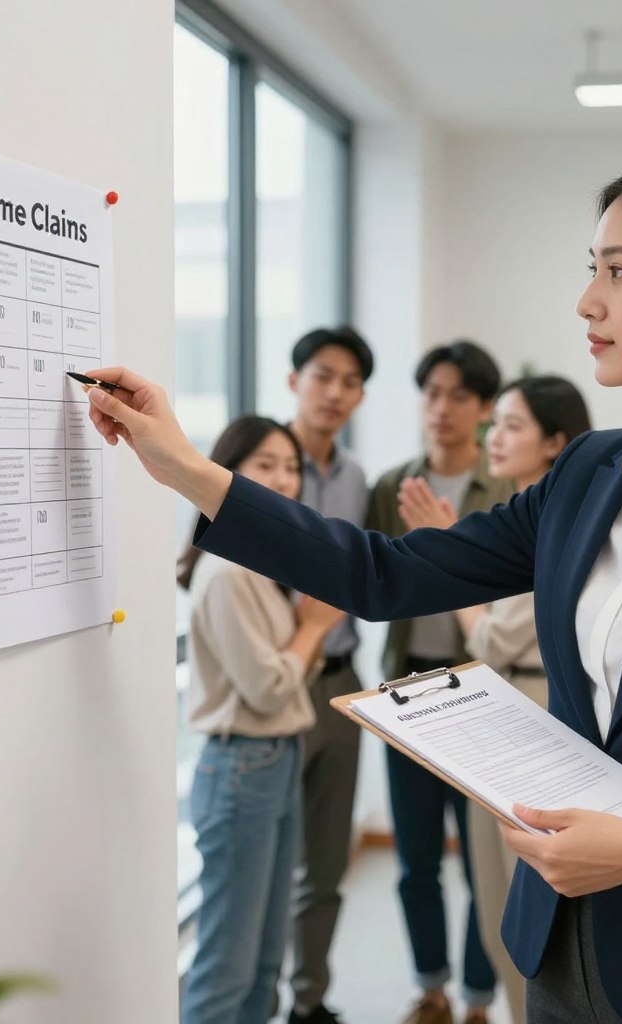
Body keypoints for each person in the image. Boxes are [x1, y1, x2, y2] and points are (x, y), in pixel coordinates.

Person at [83, 148, 622, 1024]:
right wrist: (187, 470)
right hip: (559, 950)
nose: (587, 301)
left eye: (619, 271)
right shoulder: (589, 472)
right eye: (592, 269)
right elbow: (385, 572)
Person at [397, 375, 591, 1024]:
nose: (493, 438)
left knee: (516, 903)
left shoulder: (560, 524)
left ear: (555, 442)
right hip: (505, 707)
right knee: (491, 899)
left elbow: (491, 635)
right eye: (495, 424)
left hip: (529, 716)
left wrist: (446, 554)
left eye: (511, 424)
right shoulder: (523, 516)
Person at [176, 416, 345, 1024]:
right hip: (242, 766)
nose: (283, 479)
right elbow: (270, 688)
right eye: (265, 465)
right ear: (228, 473)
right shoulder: (227, 571)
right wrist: (313, 628)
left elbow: (283, 676)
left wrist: (306, 631)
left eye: (291, 467)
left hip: (273, 759)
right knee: (228, 968)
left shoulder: (257, 562)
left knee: (264, 963)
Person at [365, 340, 513, 1024]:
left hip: (481, 696)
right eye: (432, 393)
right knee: (415, 858)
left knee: (483, 862)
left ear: (484, 409)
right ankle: (431, 988)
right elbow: (368, 576)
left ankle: (479, 998)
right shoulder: (391, 486)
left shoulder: (505, 490)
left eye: (459, 395)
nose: (442, 408)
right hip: (404, 692)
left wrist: (448, 542)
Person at [284, 326, 374, 1024]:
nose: (335, 392)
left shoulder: (355, 479)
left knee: (325, 861)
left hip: (342, 680)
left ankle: (308, 1000)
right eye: (322, 376)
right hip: (277, 681)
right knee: (267, 863)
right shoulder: (259, 462)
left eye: (350, 382)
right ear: (294, 381)